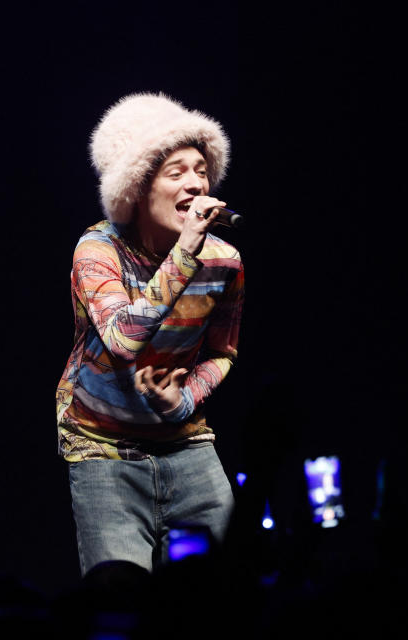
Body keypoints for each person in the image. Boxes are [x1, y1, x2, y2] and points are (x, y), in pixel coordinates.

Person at [55, 93, 244, 576]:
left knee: (223, 596)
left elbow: (223, 352)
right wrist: (183, 253)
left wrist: (183, 401)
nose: (196, 183)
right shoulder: (97, 251)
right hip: (103, 451)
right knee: (122, 605)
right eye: (175, 172)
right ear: (138, 188)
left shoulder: (223, 260)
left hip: (188, 447)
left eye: (200, 170)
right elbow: (123, 340)